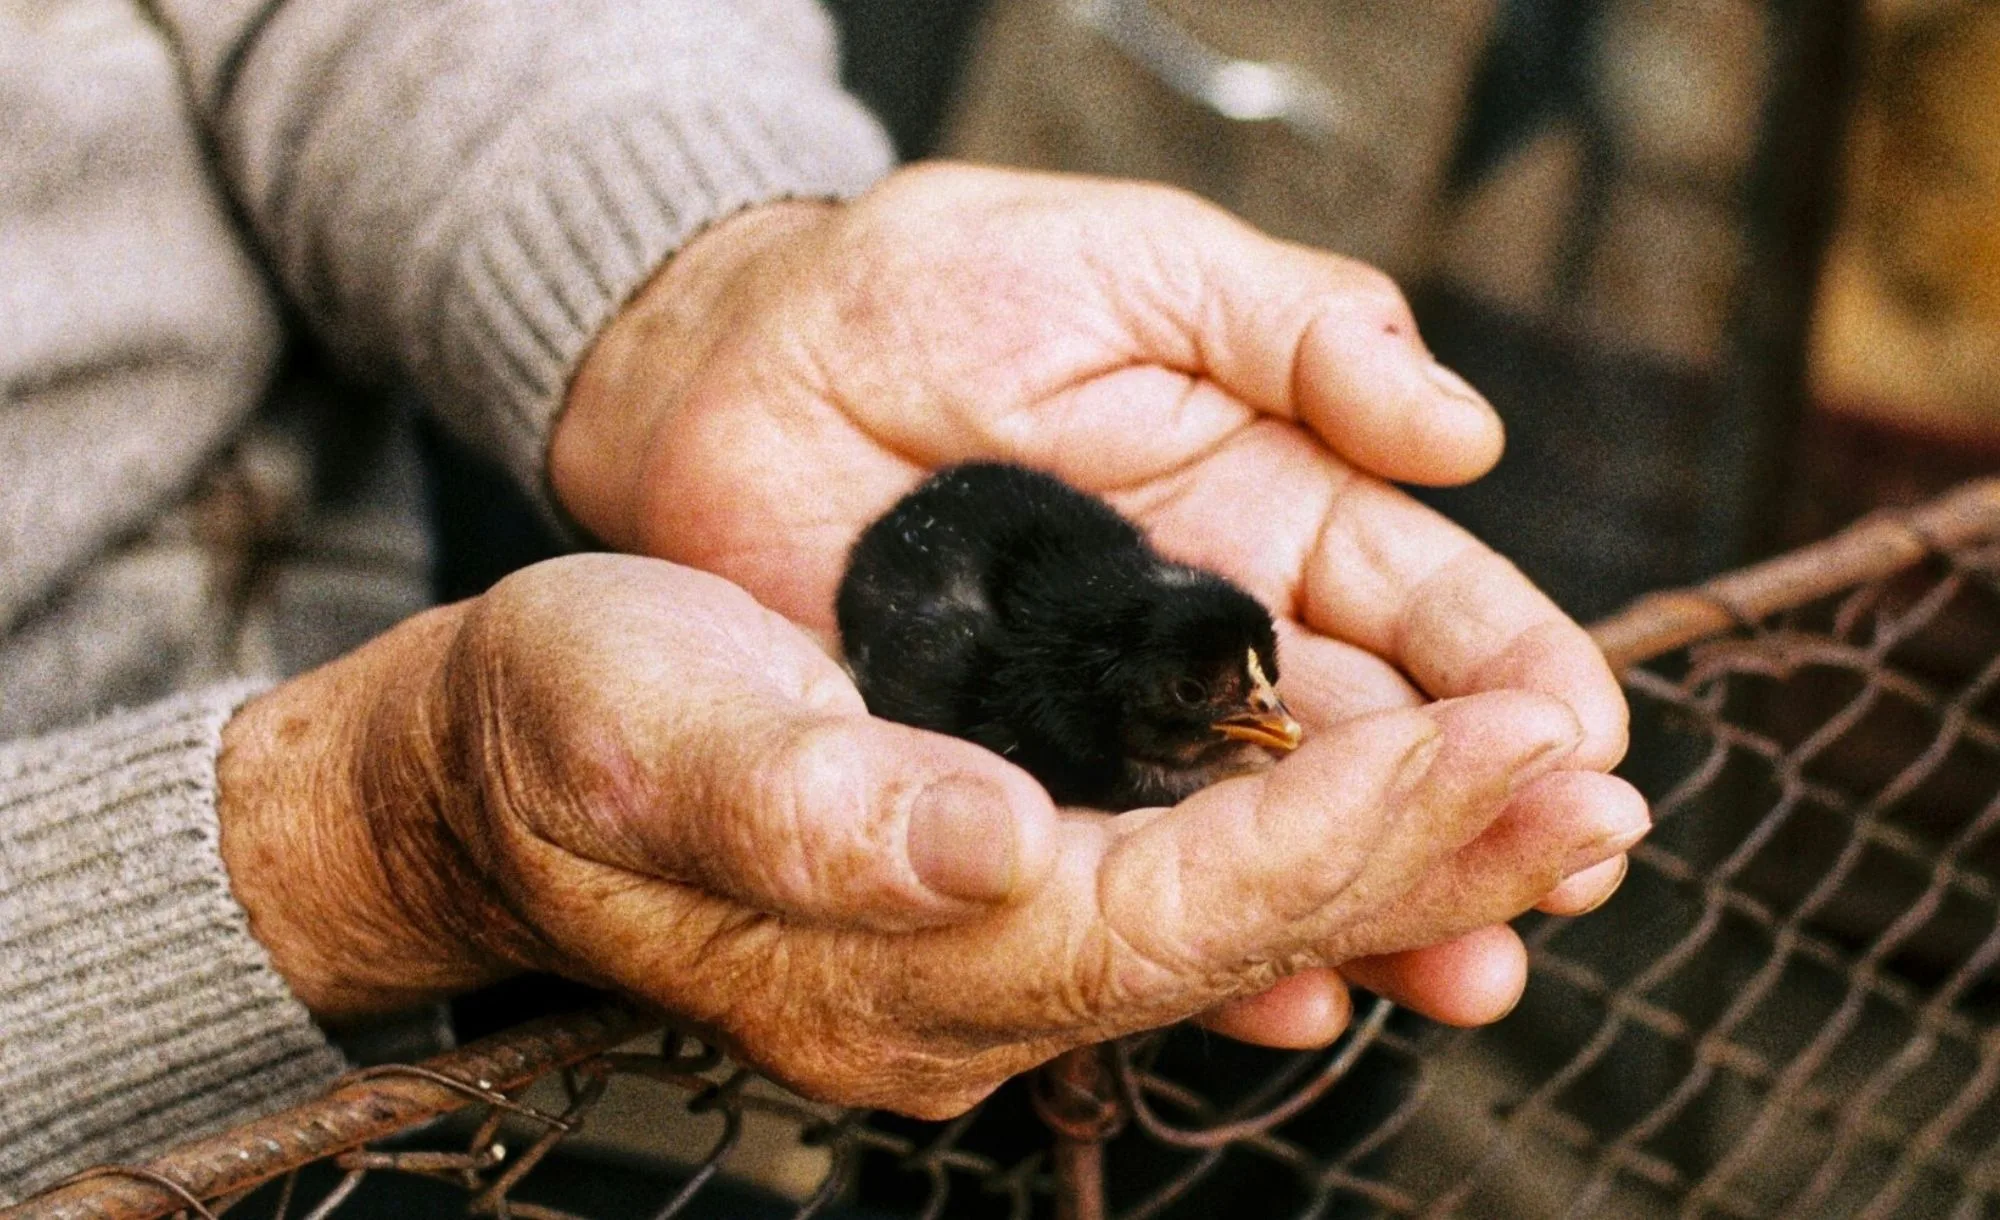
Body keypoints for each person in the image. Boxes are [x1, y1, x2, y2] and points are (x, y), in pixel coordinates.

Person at [0, 0, 1649, 1203]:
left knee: (1207, 1046)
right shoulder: (1013, 661)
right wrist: (337, 848)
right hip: (133, 1032)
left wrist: (690, 284)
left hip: (387, 555)